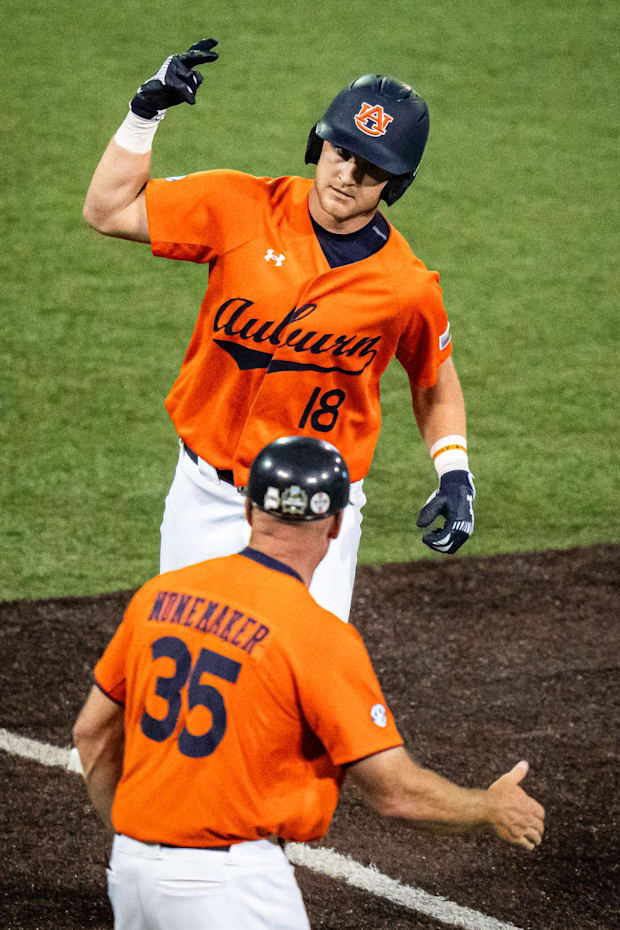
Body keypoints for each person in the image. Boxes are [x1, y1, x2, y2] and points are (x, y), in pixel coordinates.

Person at [73, 436, 543, 930]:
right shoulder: (318, 635)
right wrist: (487, 807)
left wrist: (137, 842)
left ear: (251, 509)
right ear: (337, 523)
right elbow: (395, 793)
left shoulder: (159, 596)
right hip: (233, 890)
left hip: (131, 876)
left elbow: (90, 735)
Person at [82, 39, 476, 622]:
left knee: (296, 679)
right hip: (207, 493)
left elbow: (434, 375)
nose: (348, 174)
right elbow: (106, 210)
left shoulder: (405, 286)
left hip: (315, 511)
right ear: (319, 145)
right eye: (342, 151)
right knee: (188, 659)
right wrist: (145, 114)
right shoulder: (239, 206)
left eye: (372, 168)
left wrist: (454, 469)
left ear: (395, 183)